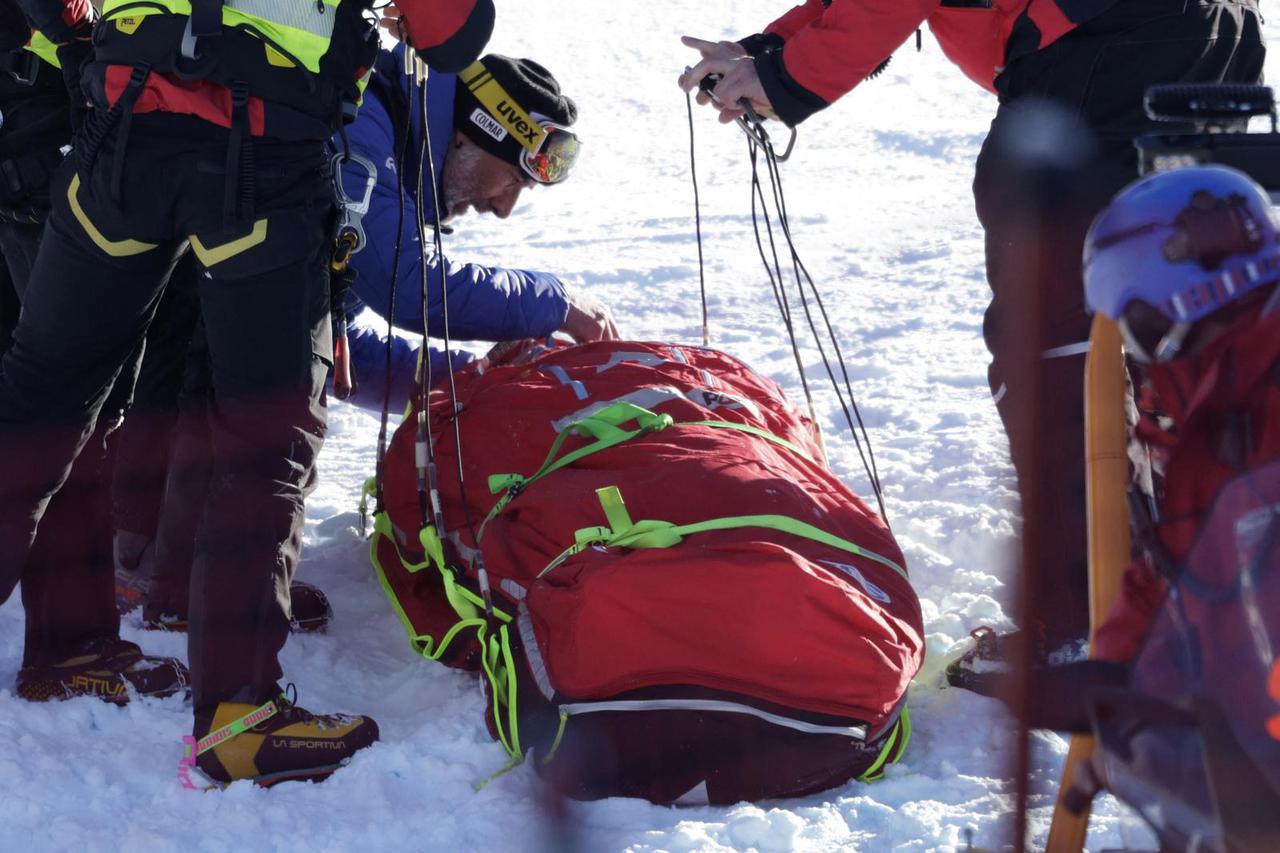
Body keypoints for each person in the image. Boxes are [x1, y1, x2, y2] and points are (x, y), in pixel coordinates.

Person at [1, 0, 494, 787]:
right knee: (263, 442)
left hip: (119, 139)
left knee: (39, 402)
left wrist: (84, 40)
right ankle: (239, 716)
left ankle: (105, 648)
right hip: (261, 165)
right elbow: (455, 37)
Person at [678, 0, 1265, 648]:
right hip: (1213, 33)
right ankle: (1207, 603)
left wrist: (787, 79)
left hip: (1102, 45)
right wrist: (767, 55)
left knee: (1051, 345)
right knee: (1181, 320)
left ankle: (1083, 628)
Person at [112, 46, 617, 633]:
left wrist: (471, 380)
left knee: (292, 361)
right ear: (470, 136)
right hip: (170, 311)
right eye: (512, 180)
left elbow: (342, 349)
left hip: (193, 302)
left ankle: (190, 567)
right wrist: (551, 303)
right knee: (259, 380)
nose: (504, 208)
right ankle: (156, 569)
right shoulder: (364, 123)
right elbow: (404, 284)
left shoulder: (394, 135)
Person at [1027, 165, 1280, 845]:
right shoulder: (1213, 395)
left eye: (1131, 320)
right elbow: (1182, 556)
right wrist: (1116, 672)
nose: (1134, 346)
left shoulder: (1253, 392)